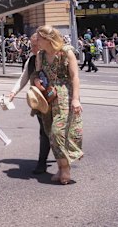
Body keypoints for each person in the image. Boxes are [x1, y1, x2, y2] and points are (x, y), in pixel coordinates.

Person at [34, 25, 83, 185]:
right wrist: (37, 81)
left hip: (65, 97)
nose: (37, 41)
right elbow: (38, 74)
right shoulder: (40, 55)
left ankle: (65, 168)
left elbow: (75, 76)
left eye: (39, 39)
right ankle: (62, 167)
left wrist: (75, 99)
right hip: (49, 97)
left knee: (58, 132)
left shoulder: (66, 51)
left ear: (47, 39)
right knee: (51, 133)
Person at [6, 33, 50, 174]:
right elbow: (24, 77)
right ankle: (42, 163)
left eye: (35, 45)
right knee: (44, 131)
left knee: (54, 131)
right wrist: (13, 93)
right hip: (39, 101)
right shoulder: (31, 60)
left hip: (53, 100)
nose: (32, 48)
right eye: (31, 45)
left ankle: (61, 158)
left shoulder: (51, 58)